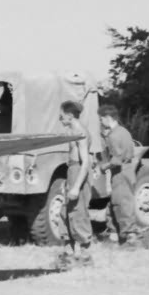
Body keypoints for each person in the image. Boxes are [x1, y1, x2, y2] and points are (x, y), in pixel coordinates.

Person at [57, 100, 95, 265]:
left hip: (79, 172)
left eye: (62, 115)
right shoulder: (72, 131)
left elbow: (85, 163)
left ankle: (85, 256)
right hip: (72, 172)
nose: (60, 118)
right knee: (65, 212)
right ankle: (68, 254)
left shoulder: (81, 133)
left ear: (70, 115)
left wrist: (76, 187)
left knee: (79, 214)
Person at [98, 104, 142, 247]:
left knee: (122, 202)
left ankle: (130, 236)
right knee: (115, 203)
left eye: (101, 119)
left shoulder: (113, 136)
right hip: (129, 169)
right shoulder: (124, 131)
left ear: (108, 118)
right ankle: (114, 235)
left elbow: (116, 160)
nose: (100, 122)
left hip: (120, 172)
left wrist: (103, 167)